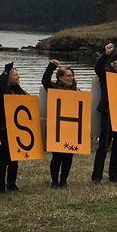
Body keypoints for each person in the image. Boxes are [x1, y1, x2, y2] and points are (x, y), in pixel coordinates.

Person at [91, 43, 117, 183]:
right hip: (109, 113)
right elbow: (97, 68)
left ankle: (114, 174)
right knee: (104, 146)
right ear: (114, 63)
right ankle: (97, 176)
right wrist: (106, 54)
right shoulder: (106, 74)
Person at [41, 59, 78, 188]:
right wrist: (52, 66)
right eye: (68, 75)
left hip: (70, 127)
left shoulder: (75, 91)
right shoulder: (53, 88)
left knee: (68, 156)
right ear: (60, 77)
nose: (71, 78)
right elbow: (45, 81)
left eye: (72, 75)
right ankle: (54, 181)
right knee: (57, 156)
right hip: (56, 127)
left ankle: (64, 180)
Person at [0, 61, 27, 193]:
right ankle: (0, 186)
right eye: (15, 75)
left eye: (18, 75)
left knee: (15, 159)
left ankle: (12, 184)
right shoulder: (3, 91)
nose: (18, 77)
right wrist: (6, 72)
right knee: (4, 159)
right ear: (8, 77)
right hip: (5, 129)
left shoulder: (20, 91)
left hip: (18, 128)